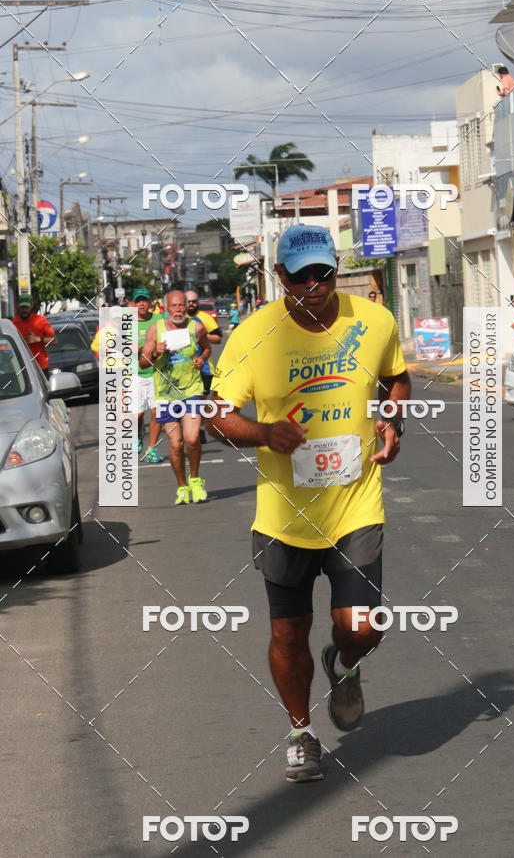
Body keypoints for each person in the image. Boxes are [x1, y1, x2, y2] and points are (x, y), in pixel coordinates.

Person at [206, 223, 410, 784]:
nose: (316, 286)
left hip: (355, 505)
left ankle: (344, 666)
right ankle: (301, 730)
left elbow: (395, 379)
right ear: (279, 278)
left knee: (363, 626)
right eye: (302, 278)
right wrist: (264, 433)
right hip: (283, 517)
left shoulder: (372, 321)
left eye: (325, 274)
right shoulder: (252, 335)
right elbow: (217, 415)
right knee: (289, 633)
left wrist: (391, 422)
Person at [140, 290, 211, 505]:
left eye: (182, 305)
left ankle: (196, 479)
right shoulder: (156, 329)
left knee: (191, 439)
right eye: (174, 306)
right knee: (176, 444)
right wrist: (155, 352)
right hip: (165, 395)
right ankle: (182, 486)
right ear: (165, 308)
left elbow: (207, 348)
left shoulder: (196, 327)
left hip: (191, 391)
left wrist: (201, 359)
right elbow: (143, 363)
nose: (178, 310)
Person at [186, 290, 223, 444]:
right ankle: (190, 430)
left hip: (205, 368)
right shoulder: (176, 319)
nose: (191, 304)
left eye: (194, 301)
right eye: (188, 301)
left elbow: (218, 338)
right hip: (182, 369)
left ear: (197, 302)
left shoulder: (205, 318)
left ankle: (199, 430)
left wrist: (201, 334)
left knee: (199, 401)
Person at [134, 288, 164, 463]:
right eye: (138, 300)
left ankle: (151, 449)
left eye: (144, 300)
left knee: (156, 412)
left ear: (150, 302)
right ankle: (138, 435)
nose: (142, 303)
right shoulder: (127, 323)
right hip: (135, 375)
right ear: (133, 303)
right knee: (137, 415)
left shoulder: (159, 320)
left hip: (156, 373)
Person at [11, 294, 55, 378]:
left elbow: (54, 341)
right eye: (22, 307)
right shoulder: (13, 324)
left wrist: (38, 339)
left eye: (27, 307)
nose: (25, 310)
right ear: (18, 307)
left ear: (32, 306)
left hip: (40, 366)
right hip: (22, 367)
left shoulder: (41, 321)